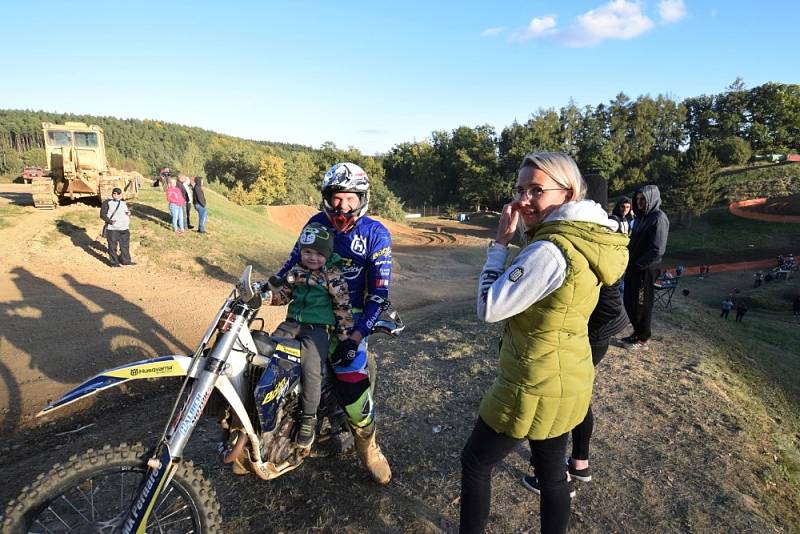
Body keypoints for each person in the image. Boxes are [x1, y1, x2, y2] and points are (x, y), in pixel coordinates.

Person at [459, 152, 628, 534]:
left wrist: (500, 245)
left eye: (537, 190)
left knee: (476, 461)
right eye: (520, 190)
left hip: (532, 382)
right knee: (553, 476)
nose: (523, 199)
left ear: (567, 193)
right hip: (568, 374)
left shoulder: (550, 251)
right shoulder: (587, 239)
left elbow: (489, 307)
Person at [273, 162, 393, 485]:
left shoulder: (376, 235)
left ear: (362, 199)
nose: (341, 206)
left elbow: (379, 294)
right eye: (336, 198)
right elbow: (291, 263)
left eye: (349, 199)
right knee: (271, 365)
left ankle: (368, 446)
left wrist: (356, 336)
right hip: (309, 313)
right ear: (326, 197)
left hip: (349, 319)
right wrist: (268, 286)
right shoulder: (315, 224)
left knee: (353, 391)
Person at [520, 173, 630, 496]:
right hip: (588, 332)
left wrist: (578, 333)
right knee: (579, 398)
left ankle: (553, 476)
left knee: (557, 400)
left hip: (588, 334)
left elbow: (611, 306)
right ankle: (579, 464)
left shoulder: (588, 235)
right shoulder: (594, 231)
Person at [267, 222, 353, 448]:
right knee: (270, 352)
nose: (312, 258)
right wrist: (270, 292)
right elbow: (283, 296)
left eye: (318, 253)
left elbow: (342, 307)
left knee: (311, 369)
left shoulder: (332, 275)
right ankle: (272, 402)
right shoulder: (296, 271)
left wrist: (345, 339)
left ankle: (308, 417)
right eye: (307, 252)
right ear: (300, 252)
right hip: (292, 323)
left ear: (327, 254)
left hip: (317, 330)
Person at [621, 185, 669, 350]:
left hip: (646, 270)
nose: (640, 203)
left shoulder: (658, 218)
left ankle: (643, 338)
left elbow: (657, 250)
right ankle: (636, 331)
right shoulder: (640, 218)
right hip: (633, 267)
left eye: (643, 200)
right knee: (629, 300)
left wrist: (639, 265)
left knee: (642, 304)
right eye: (638, 199)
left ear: (651, 200)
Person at [101, 187, 134, 267]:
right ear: (112, 194)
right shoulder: (107, 202)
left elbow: (126, 212)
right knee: (112, 246)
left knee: (125, 246)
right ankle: (114, 263)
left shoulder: (123, 203)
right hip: (113, 229)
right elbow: (102, 214)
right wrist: (110, 222)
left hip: (124, 228)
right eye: (114, 193)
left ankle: (126, 261)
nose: (116, 195)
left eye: (118, 194)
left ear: (120, 195)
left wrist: (129, 214)